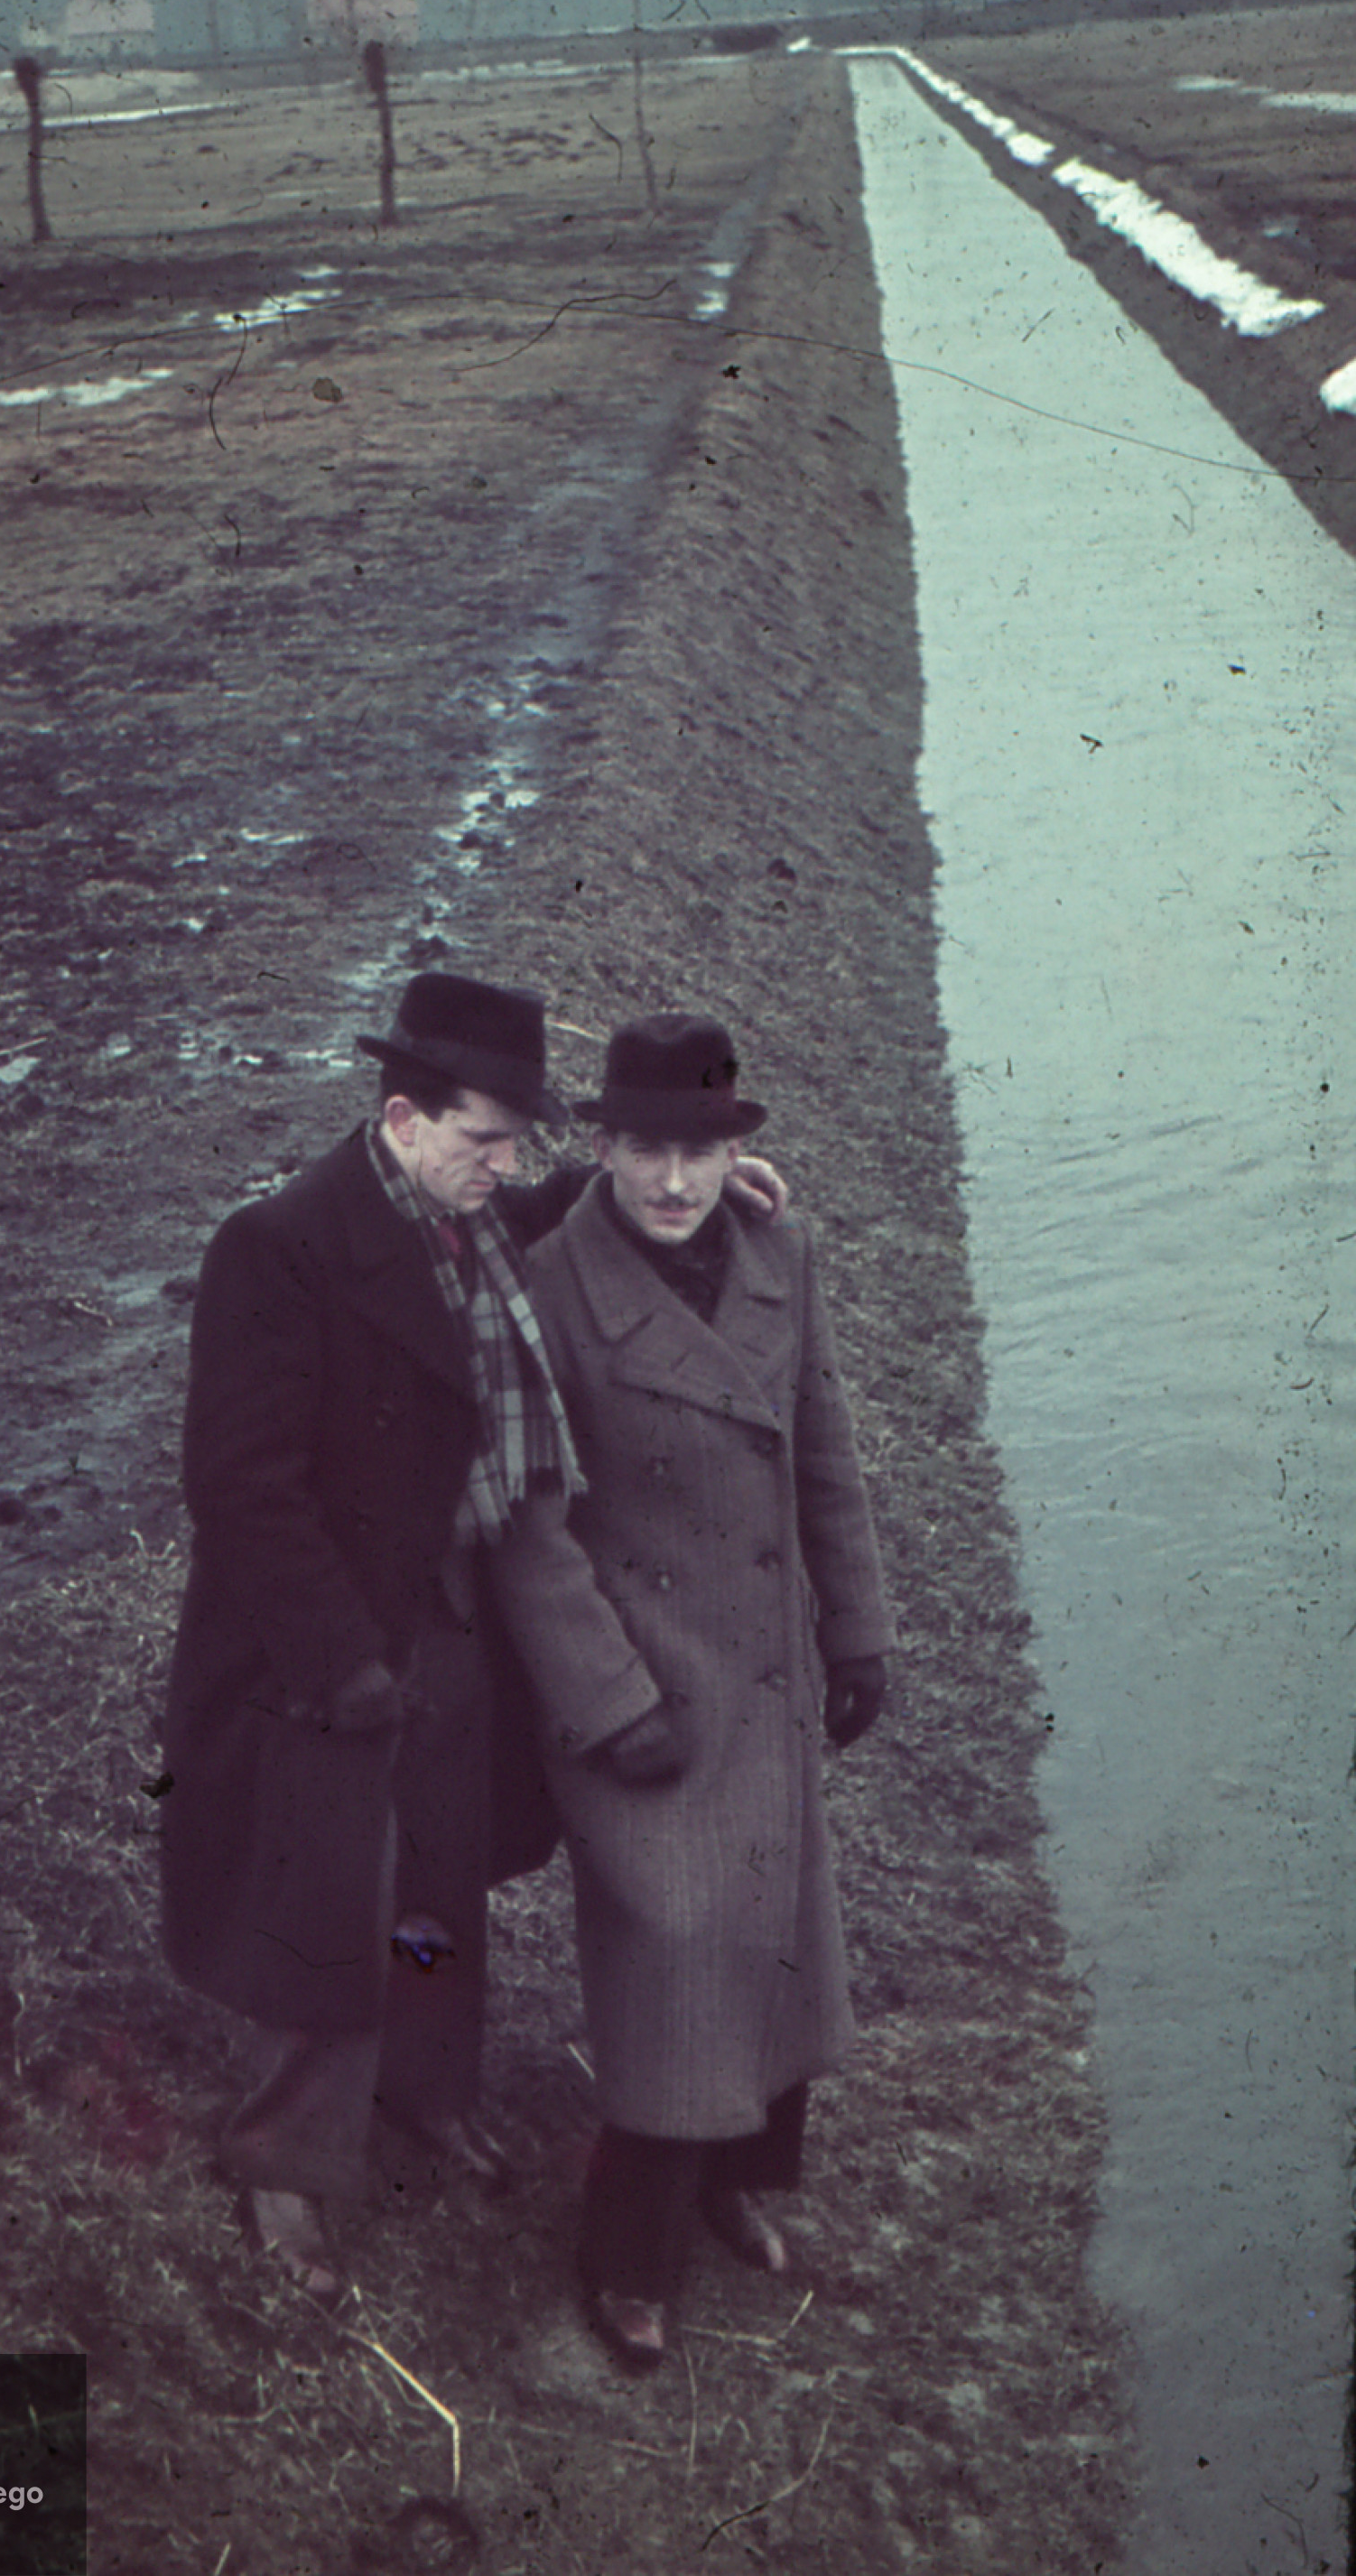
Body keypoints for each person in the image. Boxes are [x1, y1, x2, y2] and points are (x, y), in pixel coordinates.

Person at [160, 975, 781, 2306]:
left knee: (439, 1890)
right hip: (319, 1654)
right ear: (404, 1118)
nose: (507, 1167)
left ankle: (429, 2095)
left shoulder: (470, 1218)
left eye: (517, 1144)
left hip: (447, 1623)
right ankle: (283, 2165)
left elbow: (547, 1207)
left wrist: (693, 1179)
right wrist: (342, 1663)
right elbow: (240, 1488)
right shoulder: (279, 1248)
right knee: (330, 1904)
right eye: (486, 1140)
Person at [489, 1013, 895, 2369]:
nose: (674, 1182)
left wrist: (858, 1633)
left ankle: (736, 2183)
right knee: (670, 1959)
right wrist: (610, 1700)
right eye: (647, 1149)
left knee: (771, 1937)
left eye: (700, 1153)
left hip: (764, 1676)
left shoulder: (786, 1254)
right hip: (639, 1691)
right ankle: (626, 2262)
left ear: (737, 1154)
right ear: (602, 1146)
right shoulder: (549, 1288)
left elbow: (823, 1451)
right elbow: (529, 1531)